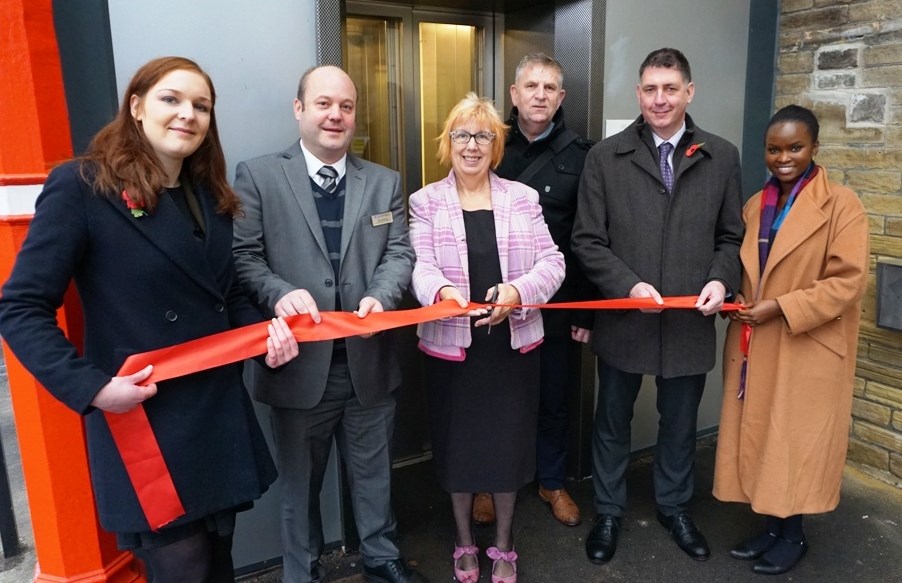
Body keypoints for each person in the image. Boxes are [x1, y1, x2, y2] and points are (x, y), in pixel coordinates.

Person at [0, 56, 299, 581]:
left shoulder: (209, 195)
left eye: (201, 106)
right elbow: (20, 308)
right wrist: (93, 389)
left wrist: (268, 340)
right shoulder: (82, 186)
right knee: (182, 566)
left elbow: (225, 297)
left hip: (213, 417)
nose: (188, 114)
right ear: (136, 107)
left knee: (218, 565)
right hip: (145, 421)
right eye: (171, 99)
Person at [231, 65, 423, 583]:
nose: (335, 115)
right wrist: (278, 293)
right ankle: (302, 572)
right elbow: (244, 257)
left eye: (345, 106)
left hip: (369, 363)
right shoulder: (259, 176)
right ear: (299, 109)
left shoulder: (384, 182)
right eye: (323, 103)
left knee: (374, 477)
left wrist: (381, 297)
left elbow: (399, 252)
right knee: (300, 487)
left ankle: (382, 561)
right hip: (297, 367)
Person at [571, 47, 744, 565]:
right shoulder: (605, 156)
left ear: (689, 92)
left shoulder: (722, 155)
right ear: (638, 93)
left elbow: (731, 236)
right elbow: (587, 241)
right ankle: (607, 509)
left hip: (691, 321)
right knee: (612, 419)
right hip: (626, 316)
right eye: (650, 89)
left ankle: (674, 507)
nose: (659, 99)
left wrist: (720, 280)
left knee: (680, 422)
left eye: (670, 88)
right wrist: (626, 286)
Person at [408, 92, 565, 583]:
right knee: (458, 448)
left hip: (512, 348)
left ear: (496, 145)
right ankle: (462, 541)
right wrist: (444, 291)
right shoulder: (425, 201)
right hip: (453, 348)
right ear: (447, 142)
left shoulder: (523, 198)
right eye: (462, 134)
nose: (471, 145)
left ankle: (503, 542)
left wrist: (518, 291)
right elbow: (420, 265)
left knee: (507, 448)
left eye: (483, 136)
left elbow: (553, 262)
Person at [713, 105, 869, 575]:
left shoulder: (842, 204)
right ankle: (772, 526)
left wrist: (780, 306)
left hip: (806, 343)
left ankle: (793, 534)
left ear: (815, 149)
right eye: (774, 148)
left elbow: (848, 281)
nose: (783, 157)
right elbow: (748, 268)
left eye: (795, 147)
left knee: (793, 441)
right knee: (763, 435)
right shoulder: (755, 205)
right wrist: (739, 295)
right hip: (757, 341)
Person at [490, 52, 594, 528]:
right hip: (497, 301)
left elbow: (590, 236)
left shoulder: (582, 155)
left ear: (561, 97)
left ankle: (552, 481)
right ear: (514, 94)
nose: (539, 95)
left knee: (554, 398)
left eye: (549, 88)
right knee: (498, 399)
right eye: (531, 86)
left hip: (556, 303)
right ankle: (494, 483)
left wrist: (584, 312)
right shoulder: (489, 146)